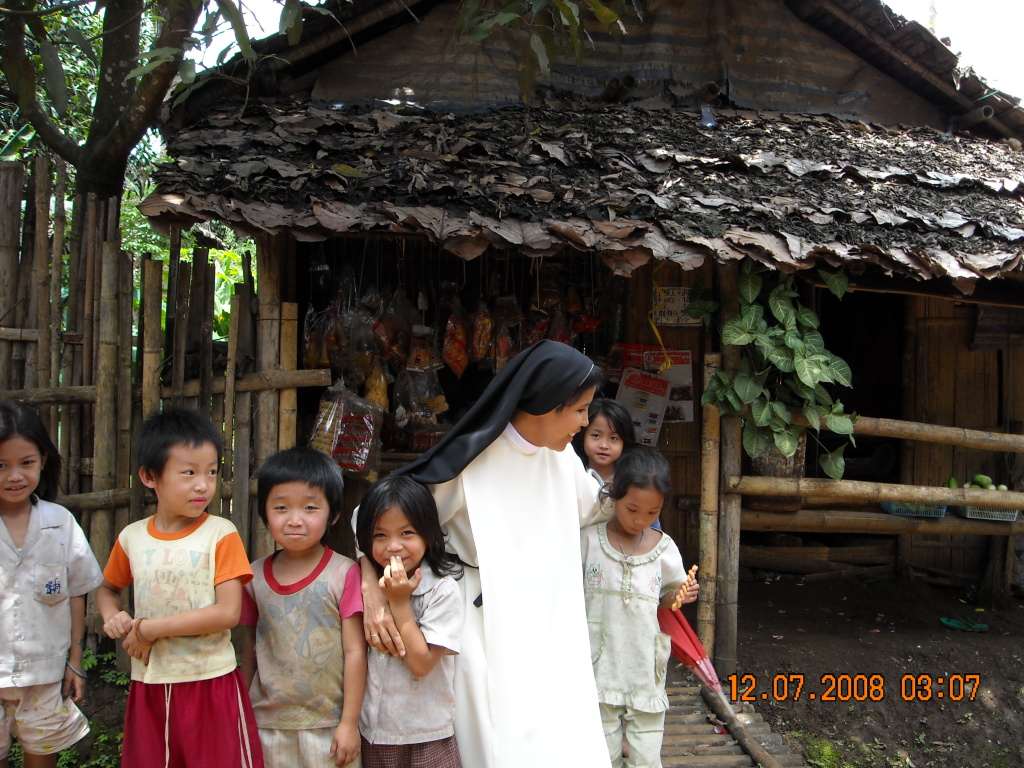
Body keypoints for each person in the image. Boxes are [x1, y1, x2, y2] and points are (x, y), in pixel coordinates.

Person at [360, 339, 613, 768]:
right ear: (546, 404)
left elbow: (596, 507)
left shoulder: (563, 460)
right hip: (483, 625)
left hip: (551, 622)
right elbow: (373, 524)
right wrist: (370, 584)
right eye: (578, 410)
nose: (585, 423)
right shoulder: (468, 462)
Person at [95, 407, 263, 768]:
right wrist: (113, 616)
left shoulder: (221, 533)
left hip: (210, 681)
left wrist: (148, 629)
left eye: (212, 472)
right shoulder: (132, 538)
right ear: (149, 476)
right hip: (150, 683)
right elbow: (107, 589)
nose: (203, 484)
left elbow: (228, 613)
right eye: (189, 473)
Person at [240, 448, 365, 768]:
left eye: (310, 507)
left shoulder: (344, 573)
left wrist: (349, 724)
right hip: (266, 724)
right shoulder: (252, 577)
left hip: (329, 726)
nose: (295, 519)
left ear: (333, 514)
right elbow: (249, 650)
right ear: (265, 513)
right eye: (281, 507)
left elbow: (354, 652)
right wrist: (241, 713)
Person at [0, 402, 104, 768]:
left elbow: (77, 593)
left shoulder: (59, 523)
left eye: (25, 462)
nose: (14, 475)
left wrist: (74, 662)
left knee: (42, 760)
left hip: (45, 677)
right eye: (1, 465)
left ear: (43, 460)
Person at [581, 447, 699, 768]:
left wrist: (680, 597)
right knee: (599, 757)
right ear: (615, 494)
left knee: (646, 757)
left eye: (651, 512)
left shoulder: (665, 549)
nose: (639, 520)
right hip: (597, 666)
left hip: (644, 668)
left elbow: (667, 601)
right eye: (632, 508)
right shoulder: (589, 541)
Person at [354, 475, 464, 768]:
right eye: (380, 536)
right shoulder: (361, 584)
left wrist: (399, 602)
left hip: (426, 733)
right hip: (375, 733)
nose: (393, 547)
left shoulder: (442, 590)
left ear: (428, 534)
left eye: (406, 533)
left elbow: (422, 663)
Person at [574, 397, 637, 485]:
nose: (604, 445)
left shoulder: (629, 484)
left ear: (625, 442)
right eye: (596, 435)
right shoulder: (571, 473)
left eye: (613, 438)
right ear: (582, 436)